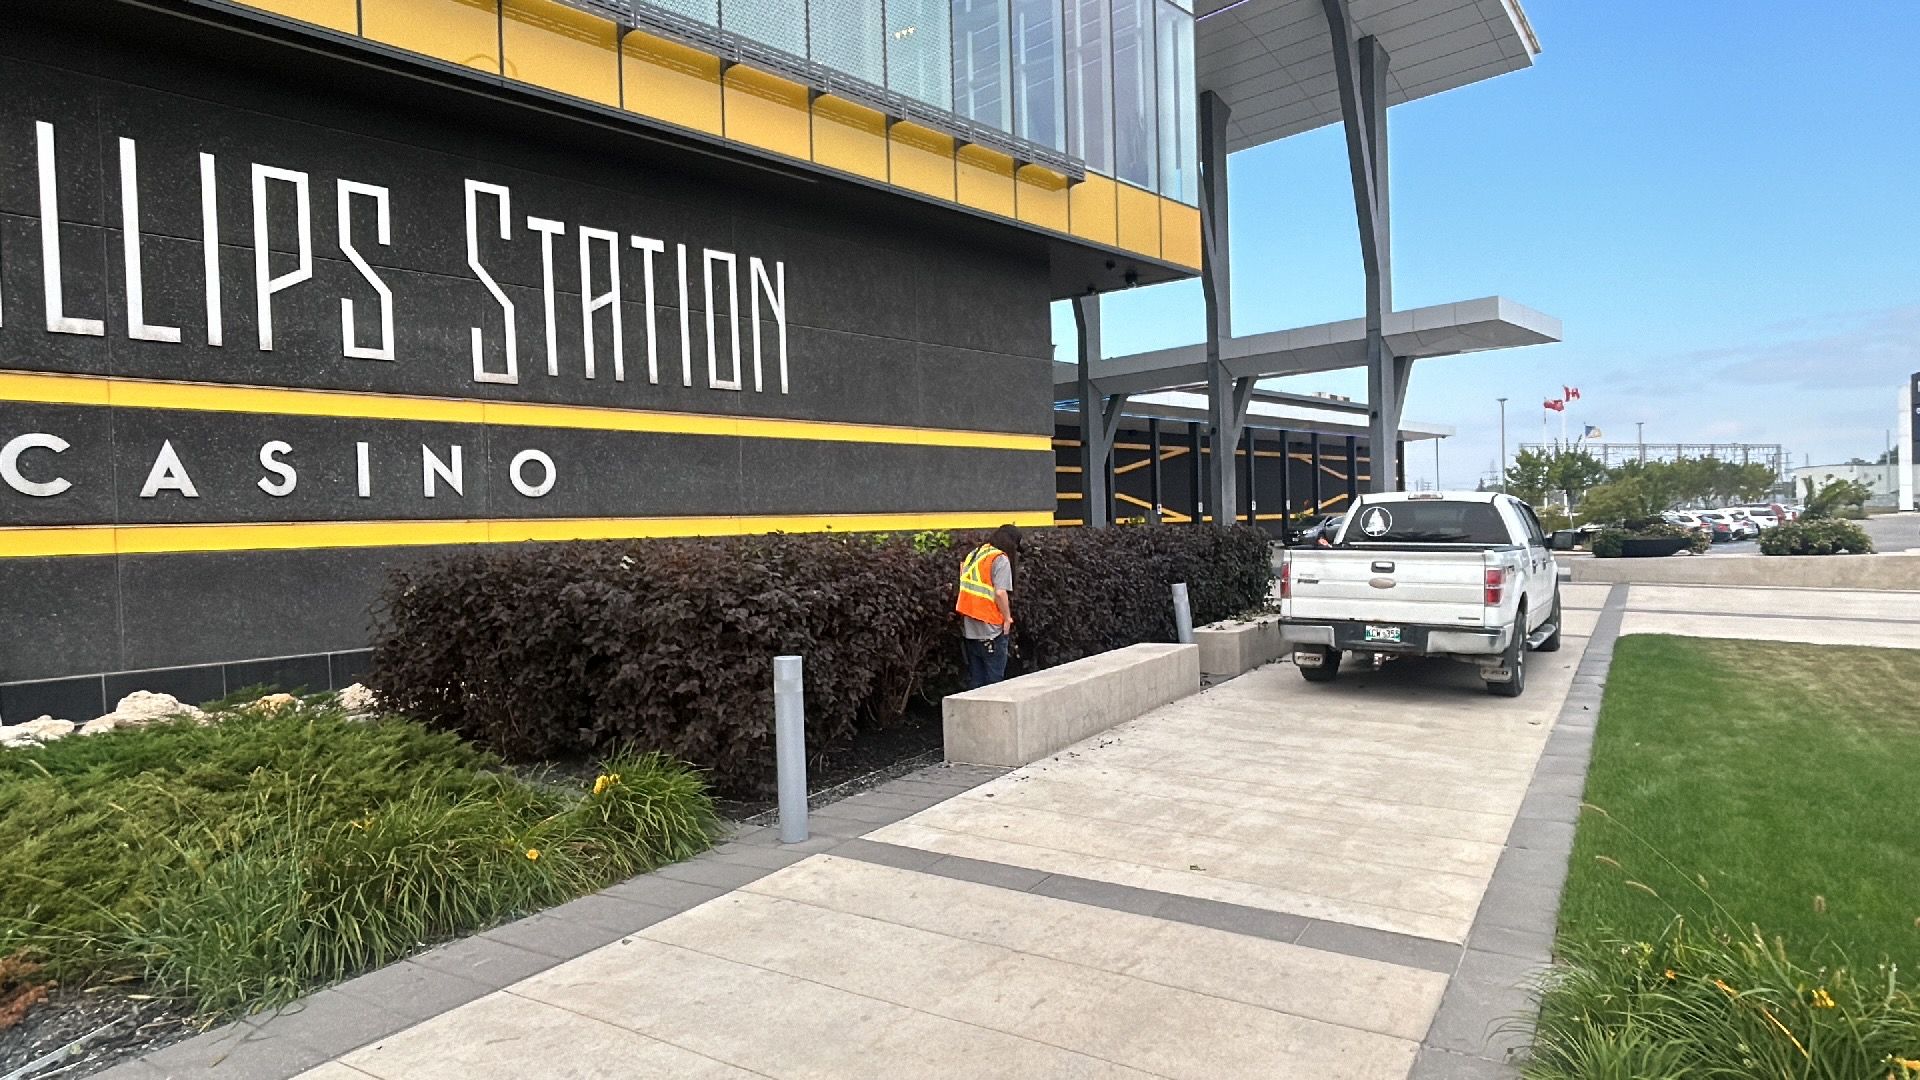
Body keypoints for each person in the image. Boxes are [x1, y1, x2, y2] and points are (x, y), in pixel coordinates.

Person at [956, 525, 1021, 688]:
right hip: (992, 628)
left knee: (976, 682)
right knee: (994, 684)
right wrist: (1007, 619)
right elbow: (1000, 593)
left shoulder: (974, 554)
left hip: (970, 627)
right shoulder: (1000, 559)